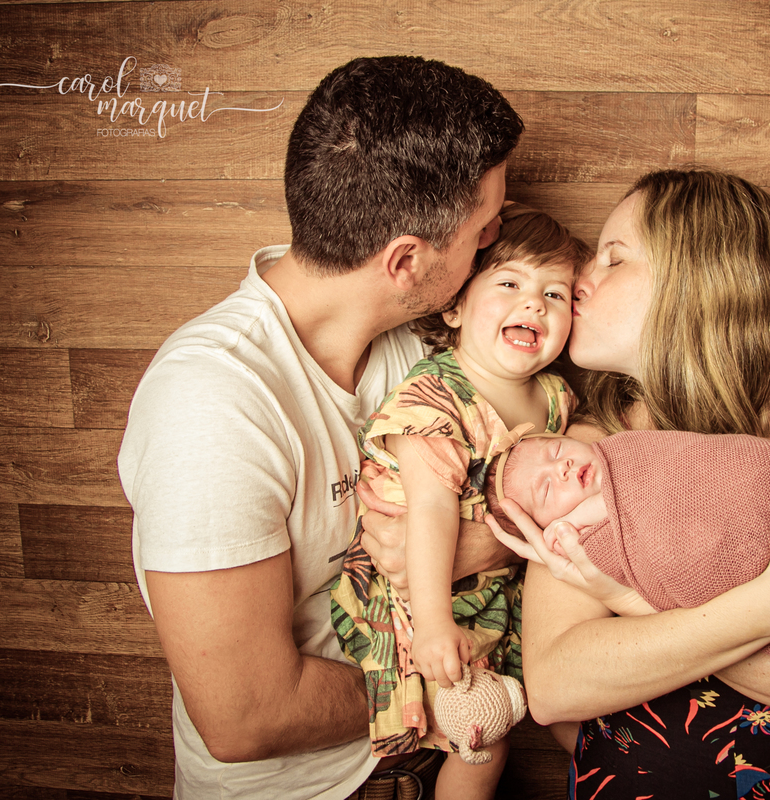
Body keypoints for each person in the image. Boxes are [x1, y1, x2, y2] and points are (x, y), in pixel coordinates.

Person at [117, 56, 523, 799]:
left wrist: (487, 536)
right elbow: (246, 716)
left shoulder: (421, 342)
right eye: (484, 225)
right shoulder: (210, 405)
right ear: (404, 259)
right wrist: (452, 695)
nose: (497, 236)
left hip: (432, 758)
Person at [493, 169, 770, 799]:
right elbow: (556, 683)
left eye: (613, 259)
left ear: (700, 281)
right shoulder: (584, 451)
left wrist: (638, 610)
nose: (578, 281)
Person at [329, 204, 590, 799]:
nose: (534, 305)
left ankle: (627, 770)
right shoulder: (435, 397)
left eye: (555, 294)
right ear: (455, 306)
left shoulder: (554, 398)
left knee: (568, 698)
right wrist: (434, 625)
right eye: (509, 284)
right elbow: (430, 512)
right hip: (415, 597)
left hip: (499, 588)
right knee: (481, 736)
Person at [483, 427, 770, 657]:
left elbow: (698, 462)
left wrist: (577, 512)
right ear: (545, 529)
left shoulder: (625, 448)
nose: (564, 467)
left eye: (556, 451)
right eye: (547, 489)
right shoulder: (587, 548)